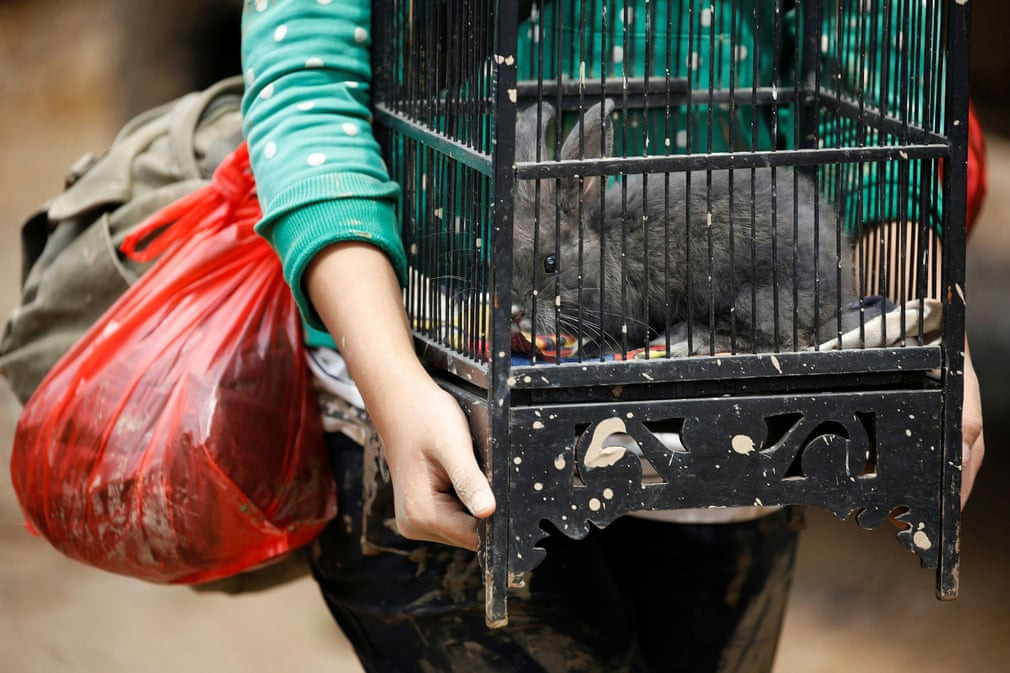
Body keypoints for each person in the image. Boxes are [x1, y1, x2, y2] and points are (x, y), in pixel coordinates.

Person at [240, 1, 985, 671]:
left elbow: (889, 80)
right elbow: (304, 81)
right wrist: (395, 385)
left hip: (741, 429)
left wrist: (916, 326)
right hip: (431, 403)